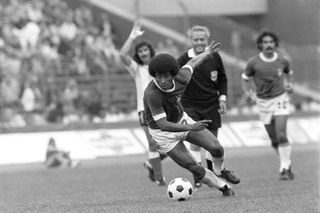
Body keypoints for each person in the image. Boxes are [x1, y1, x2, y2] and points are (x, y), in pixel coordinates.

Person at [143, 40, 235, 196]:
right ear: (154, 75)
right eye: (158, 76)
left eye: (166, 76)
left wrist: (207, 53)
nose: (162, 80)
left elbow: (192, 62)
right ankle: (224, 187)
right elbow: (163, 124)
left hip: (180, 120)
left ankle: (219, 170)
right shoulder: (153, 94)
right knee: (194, 167)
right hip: (163, 133)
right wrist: (191, 127)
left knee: (217, 148)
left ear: (173, 74)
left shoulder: (182, 78)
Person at [177, 25, 240, 189]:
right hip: (190, 106)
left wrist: (222, 99)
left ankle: (216, 173)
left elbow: (223, 79)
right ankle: (198, 177)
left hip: (211, 105)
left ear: (206, 40)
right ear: (190, 40)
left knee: (213, 144)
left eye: (202, 39)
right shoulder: (183, 60)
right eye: (195, 39)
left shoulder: (215, 57)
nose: (199, 42)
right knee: (196, 144)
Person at [241, 30, 294, 180]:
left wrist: (289, 85)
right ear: (260, 45)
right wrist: (247, 93)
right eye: (265, 42)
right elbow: (244, 78)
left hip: (280, 98)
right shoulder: (253, 62)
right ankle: (286, 163)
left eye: (271, 42)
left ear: (275, 44)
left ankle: (283, 168)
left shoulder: (283, 60)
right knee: (274, 139)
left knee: (282, 134)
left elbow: (289, 73)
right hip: (263, 102)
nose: (268, 45)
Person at [119, 21, 167, 186]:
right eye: (140, 51)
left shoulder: (159, 67)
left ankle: (151, 164)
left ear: (150, 51)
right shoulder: (136, 68)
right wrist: (132, 35)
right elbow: (121, 55)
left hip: (162, 108)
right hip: (144, 110)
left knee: (173, 139)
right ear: (137, 54)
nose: (143, 53)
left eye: (145, 50)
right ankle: (160, 179)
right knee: (153, 144)